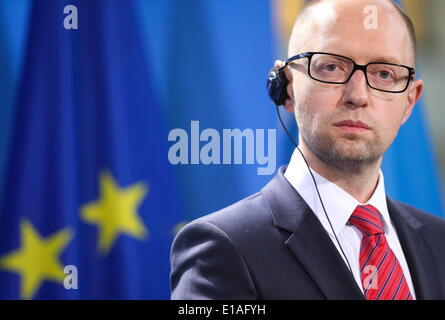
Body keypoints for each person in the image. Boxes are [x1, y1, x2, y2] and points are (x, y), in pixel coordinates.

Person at [170, 0, 445, 300]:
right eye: (331, 67)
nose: (357, 95)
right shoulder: (222, 248)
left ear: (409, 101)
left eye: (384, 74)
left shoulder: (439, 242)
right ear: (286, 86)